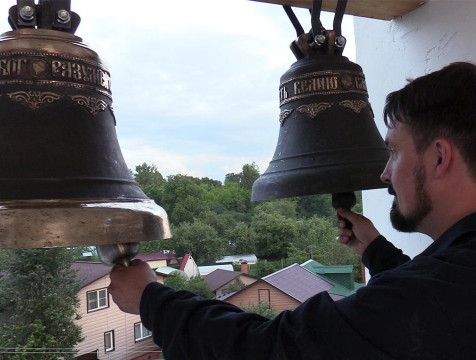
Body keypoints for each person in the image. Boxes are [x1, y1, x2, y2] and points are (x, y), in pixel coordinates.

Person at [109, 62, 476, 359]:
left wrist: (152, 300)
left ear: (440, 157)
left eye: (394, 151)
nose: (384, 173)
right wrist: (378, 254)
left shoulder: (433, 293)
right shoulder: (451, 282)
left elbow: (264, 349)